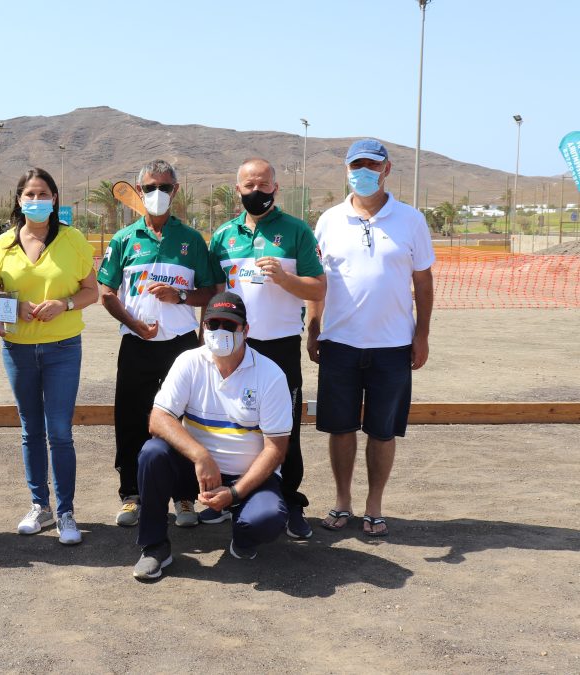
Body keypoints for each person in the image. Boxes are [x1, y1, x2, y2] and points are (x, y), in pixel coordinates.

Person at [307, 139, 435, 538]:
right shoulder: (329, 220)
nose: (363, 172)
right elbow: (318, 281)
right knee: (340, 427)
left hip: (393, 346)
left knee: (382, 430)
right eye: (356, 165)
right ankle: (343, 501)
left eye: (371, 165)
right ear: (347, 170)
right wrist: (313, 328)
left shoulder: (410, 220)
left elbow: (423, 280)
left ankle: (374, 506)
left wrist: (422, 334)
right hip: (339, 344)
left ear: (386, 169)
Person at [133, 292, 291, 580]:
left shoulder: (271, 375)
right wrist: (200, 455)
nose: (219, 332)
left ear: (246, 330)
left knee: (267, 520)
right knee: (152, 453)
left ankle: (242, 533)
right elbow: (158, 419)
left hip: (247, 476)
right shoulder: (189, 361)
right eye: (212, 324)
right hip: (197, 470)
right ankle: (155, 547)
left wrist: (234, 493)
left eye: (229, 325)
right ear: (203, 327)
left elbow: (275, 450)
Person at [208, 158, 325, 539]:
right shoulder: (224, 236)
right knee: (230, 423)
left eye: (263, 185)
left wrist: (286, 278)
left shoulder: (296, 232)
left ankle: (290, 502)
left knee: (284, 429)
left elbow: (319, 288)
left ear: (275, 187)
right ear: (237, 189)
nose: (255, 192)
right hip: (233, 347)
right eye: (248, 186)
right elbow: (212, 294)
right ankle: (228, 497)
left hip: (280, 346)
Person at [97, 159, 215, 528]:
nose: (157, 194)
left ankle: (183, 497)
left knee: (183, 420)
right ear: (139, 191)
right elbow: (105, 291)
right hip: (135, 343)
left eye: (164, 187)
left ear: (175, 192)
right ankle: (131, 495)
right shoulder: (124, 239)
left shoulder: (192, 240)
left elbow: (210, 291)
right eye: (150, 188)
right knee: (131, 420)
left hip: (179, 347)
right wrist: (133, 323)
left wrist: (180, 297)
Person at [0, 168, 99, 545]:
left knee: (59, 432)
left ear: (55, 199)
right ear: (19, 200)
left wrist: (64, 304)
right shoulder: (1, 244)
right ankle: (40, 506)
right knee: (30, 430)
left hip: (63, 348)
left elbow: (91, 292)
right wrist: (13, 308)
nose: (36, 200)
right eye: (29, 194)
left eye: (44, 193)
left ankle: (66, 512)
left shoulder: (74, 240)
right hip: (17, 348)